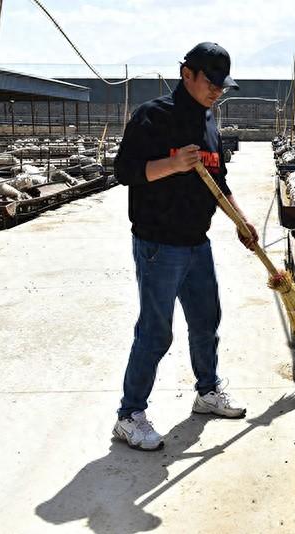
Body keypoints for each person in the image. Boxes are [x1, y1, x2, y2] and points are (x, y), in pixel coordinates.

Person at [112, 42, 258, 451]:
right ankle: (129, 415)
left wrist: (241, 219)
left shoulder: (209, 122)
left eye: (221, 85)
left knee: (206, 321)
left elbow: (219, 182)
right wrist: (173, 165)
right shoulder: (152, 117)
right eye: (210, 82)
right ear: (186, 74)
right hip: (159, 244)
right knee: (156, 332)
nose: (216, 91)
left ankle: (207, 392)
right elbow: (124, 172)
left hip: (197, 243)